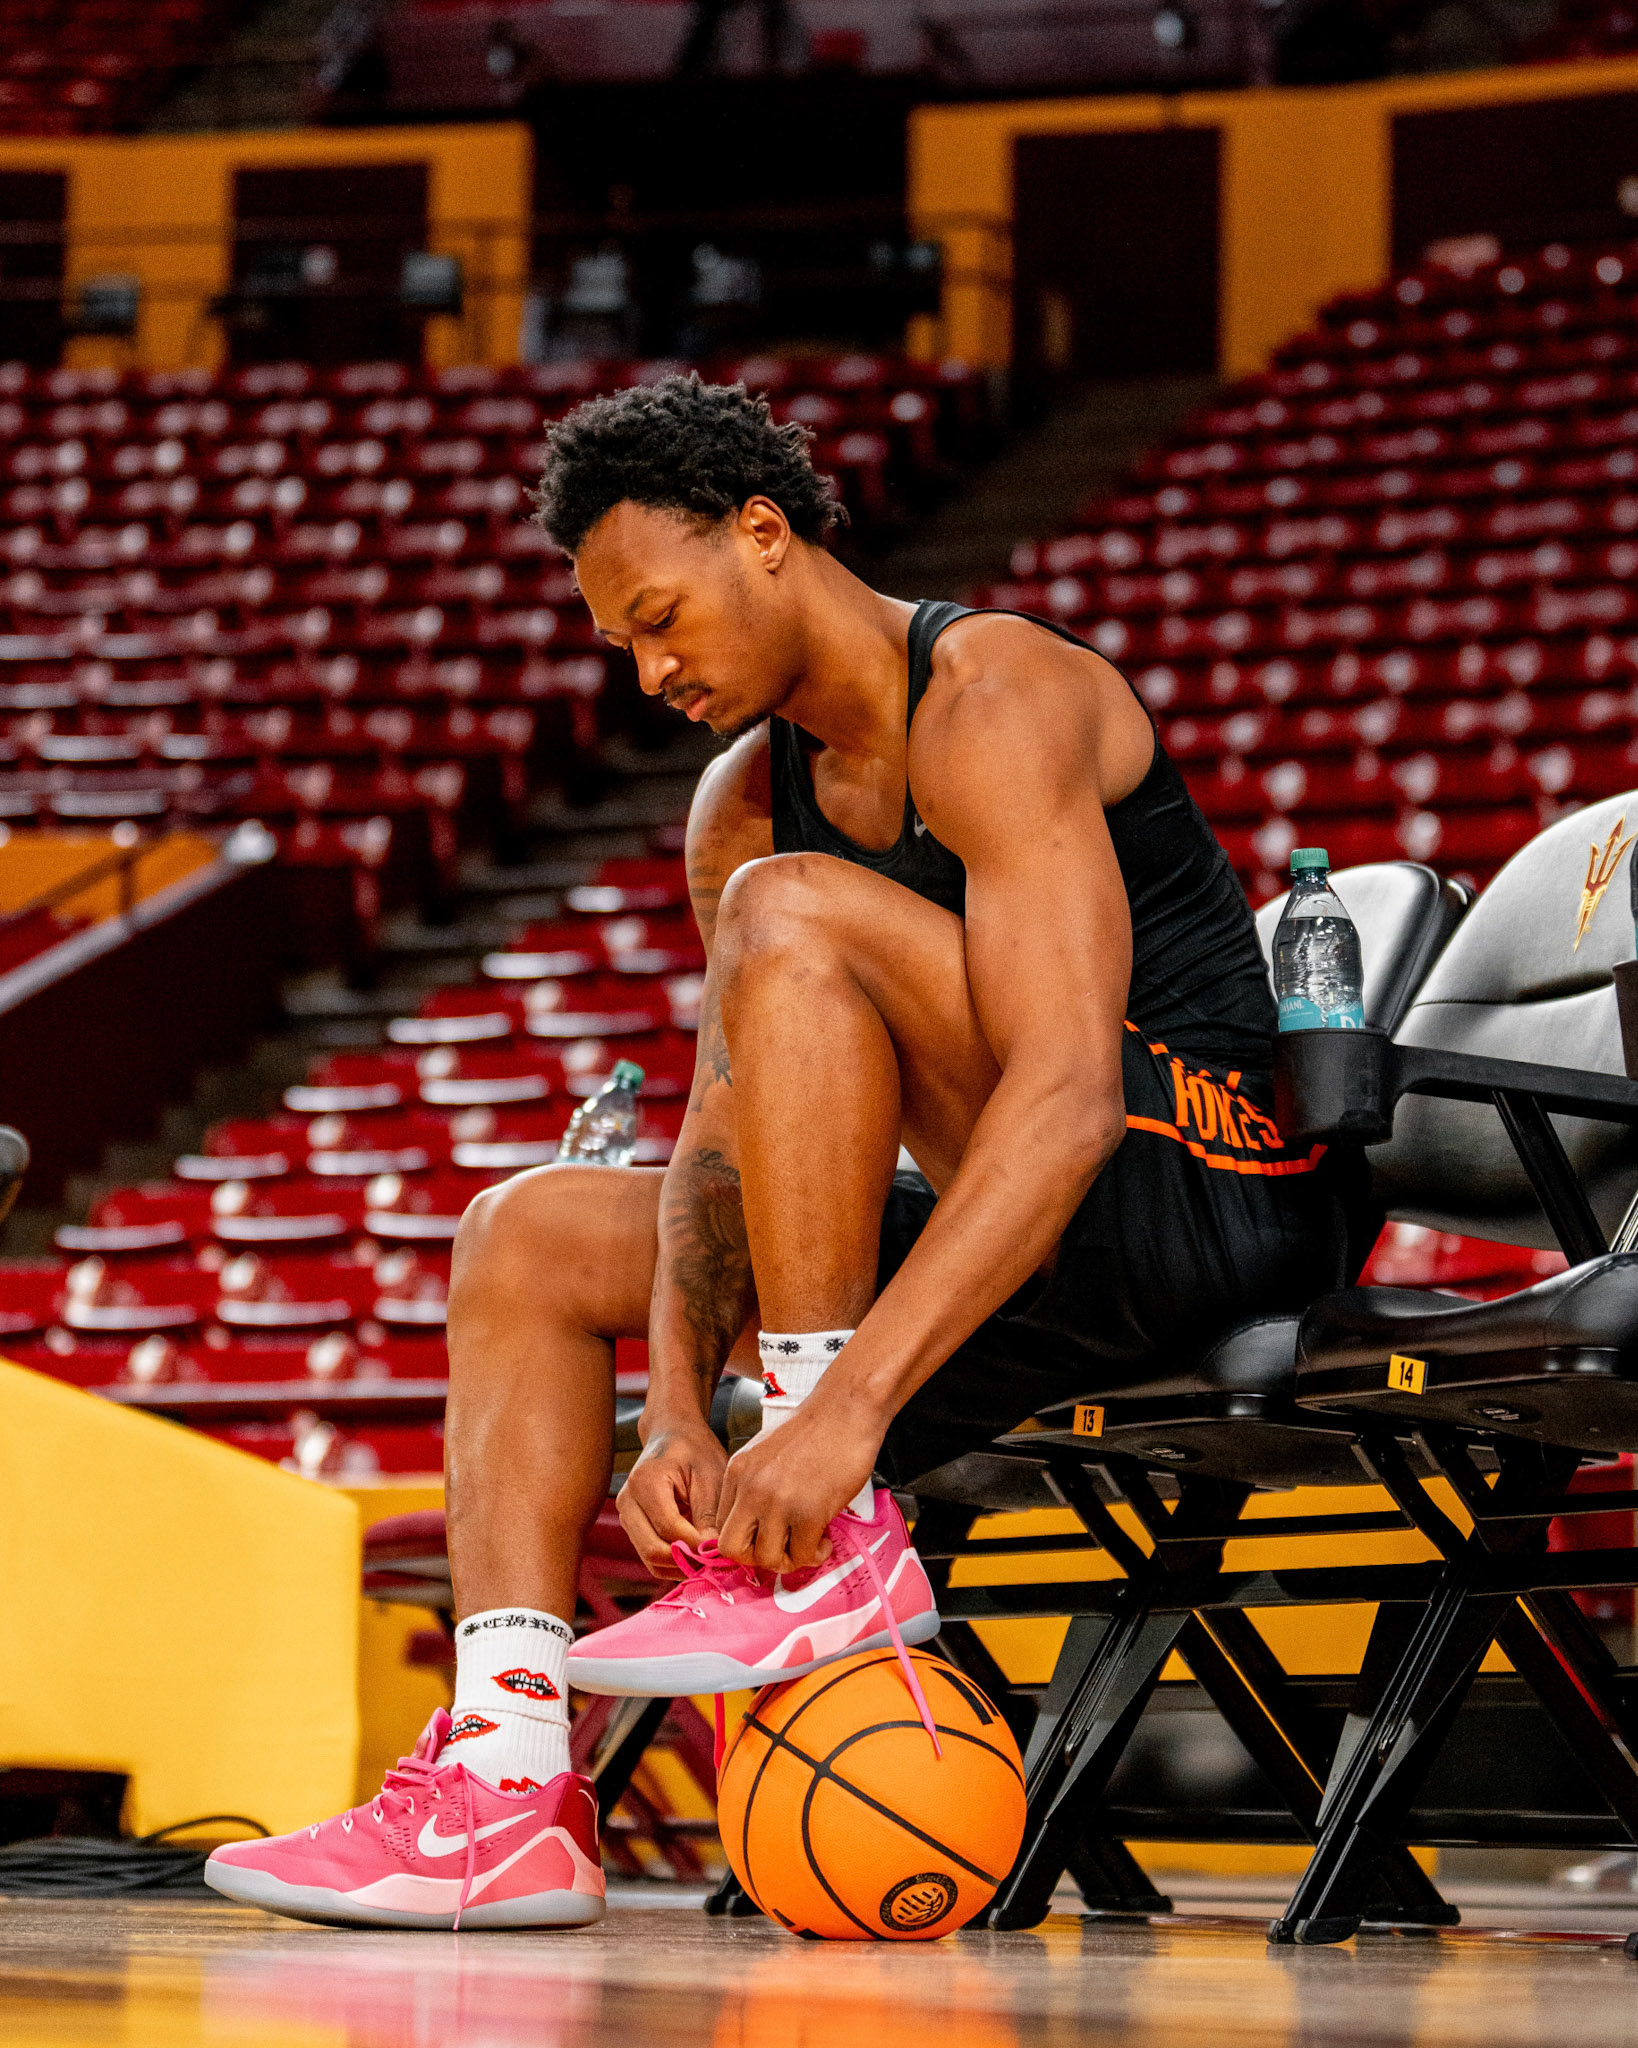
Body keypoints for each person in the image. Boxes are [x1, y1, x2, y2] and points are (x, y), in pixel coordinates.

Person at [206, 373, 1364, 1929]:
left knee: (794, 915)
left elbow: (1073, 1094)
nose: (648, 668)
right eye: (618, 641)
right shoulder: (742, 805)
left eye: (660, 617)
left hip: (1207, 1190)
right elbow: (716, 1141)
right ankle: (502, 1782)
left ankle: (835, 1536)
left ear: (764, 533)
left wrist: (839, 1424)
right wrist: (674, 1409)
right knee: (524, 1237)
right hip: (999, 1235)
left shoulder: (995, 695)